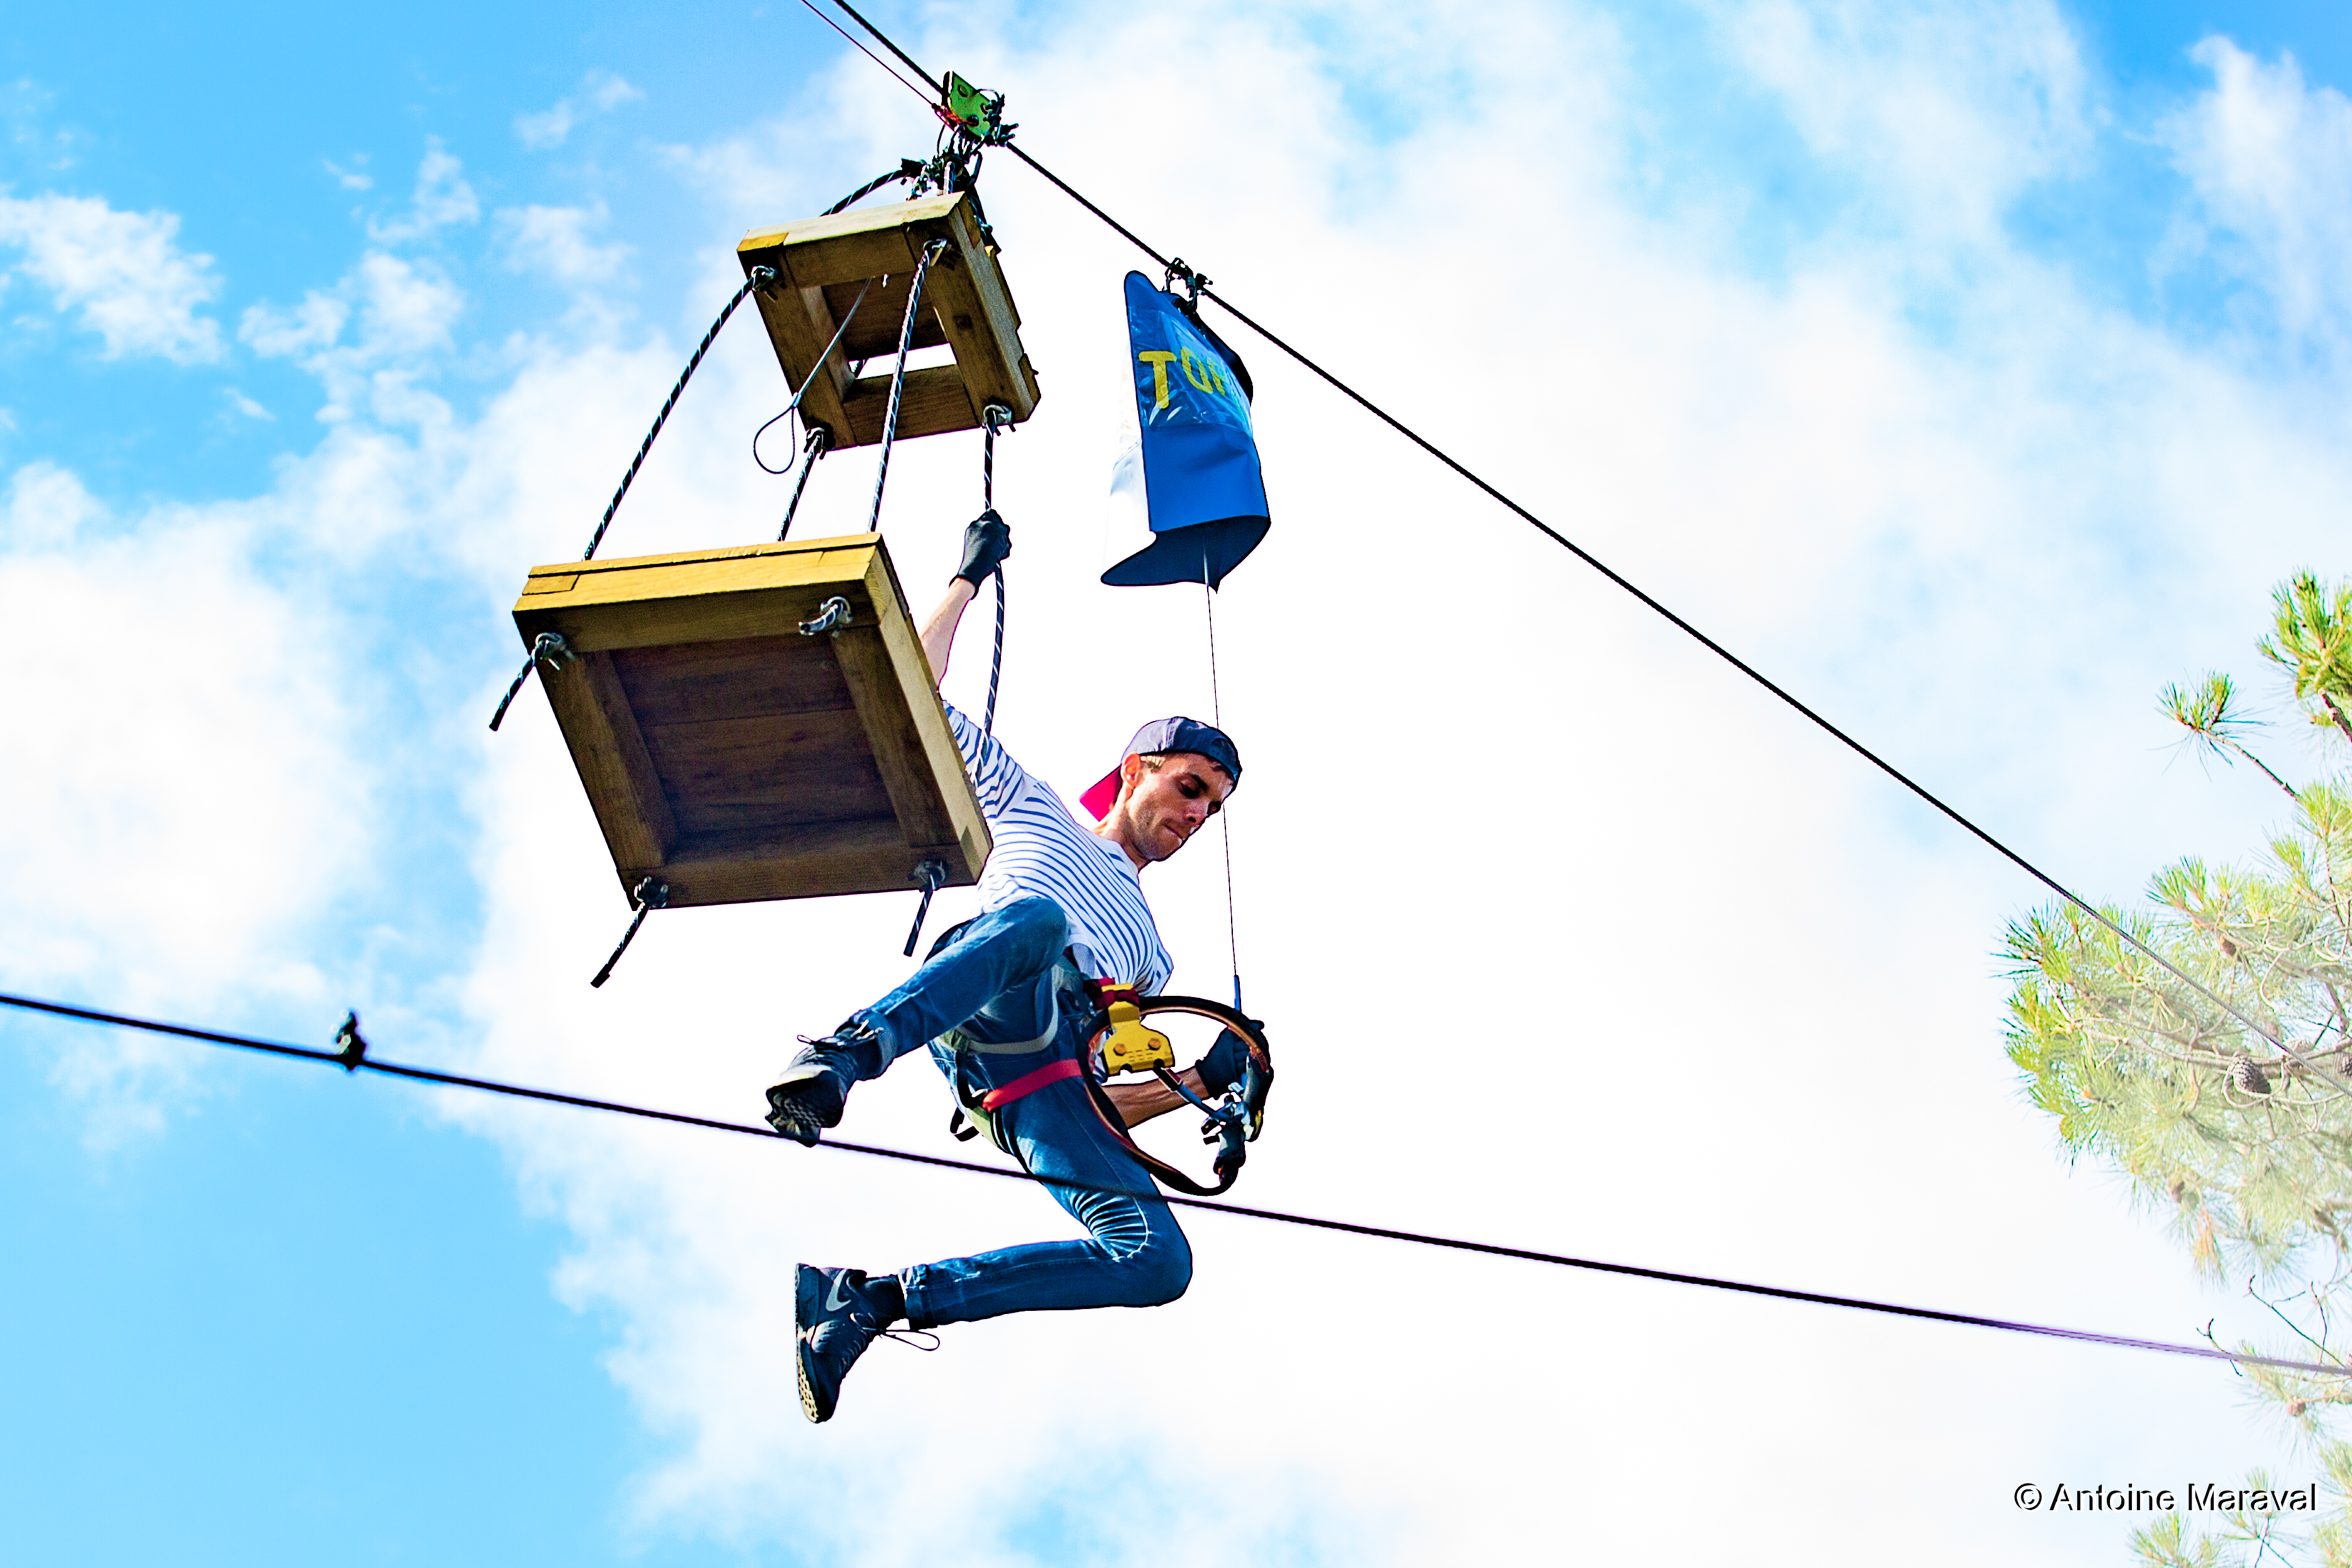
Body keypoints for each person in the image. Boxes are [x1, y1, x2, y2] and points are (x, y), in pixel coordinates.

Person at [763, 509, 1256, 1424]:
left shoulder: (1151, 951)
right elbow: (908, 688)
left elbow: (1106, 1096)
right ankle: (841, 1057)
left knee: (1157, 1261)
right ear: (1136, 769)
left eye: (1212, 807)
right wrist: (963, 582)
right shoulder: (1033, 807)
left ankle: (868, 1302)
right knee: (1033, 920)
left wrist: (1194, 1082)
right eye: (1189, 787)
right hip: (993, 986)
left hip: (1042, 1077)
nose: (1195, 814)